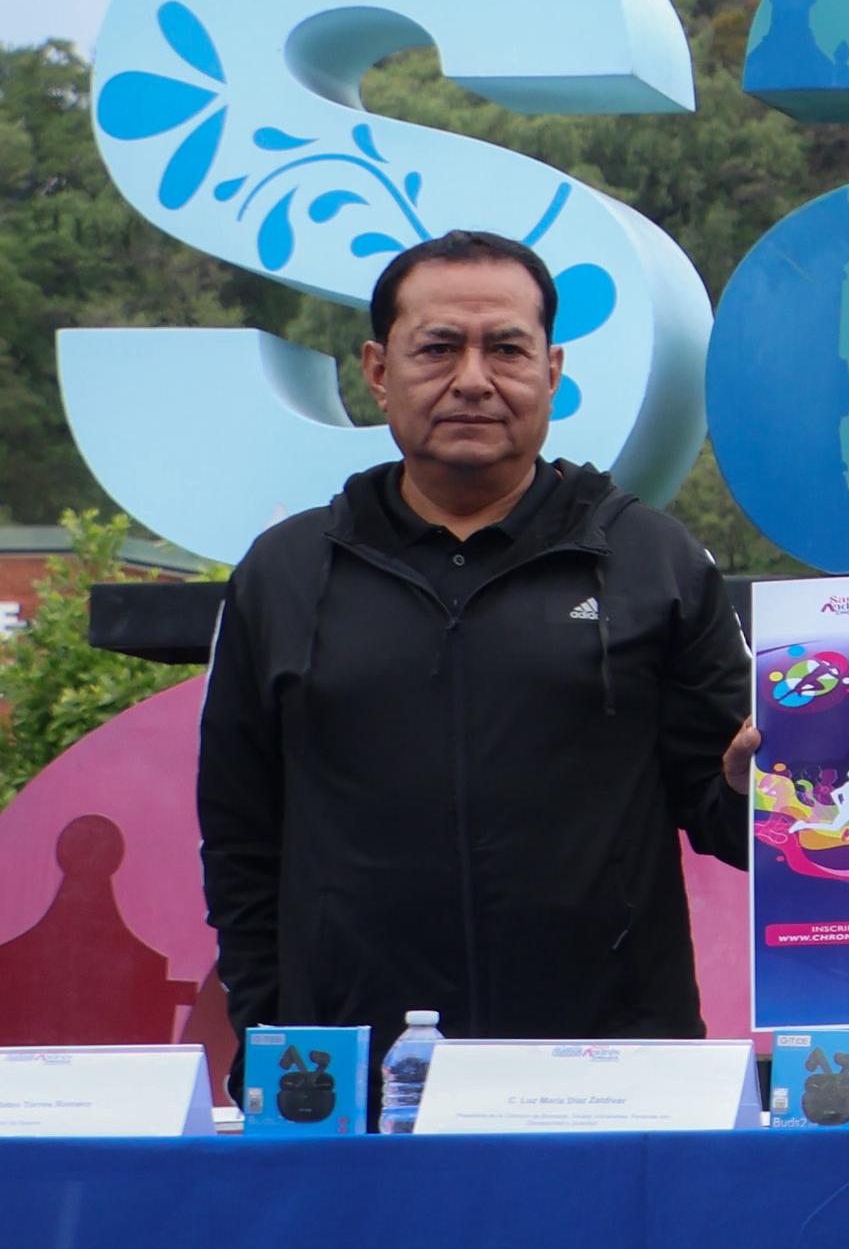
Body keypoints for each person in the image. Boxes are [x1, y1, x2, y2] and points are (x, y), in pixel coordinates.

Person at [199, 230, 753, 1048]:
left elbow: (727, 821)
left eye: (506, 350)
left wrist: (756, 788)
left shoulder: (652, 561)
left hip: (611, 1063)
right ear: (379, 371)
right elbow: (242, 841)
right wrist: (269, 1040)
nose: (473, 380)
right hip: (358, 1066)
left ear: (552, 374)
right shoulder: (283, 575)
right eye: (438, 348)